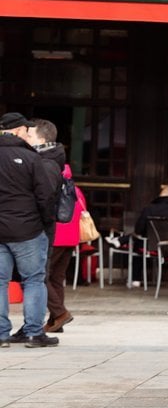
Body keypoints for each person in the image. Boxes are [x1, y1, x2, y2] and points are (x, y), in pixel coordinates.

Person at [0, 112, 60, 348]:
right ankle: (34, 333)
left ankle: (2, 334)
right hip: (27, 229)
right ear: (17, 131)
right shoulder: (30, 157)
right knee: (34, 280)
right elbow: (45, 195)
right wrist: (45, 222)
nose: (28, 133)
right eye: (26, 129)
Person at [28, 118, 84, 333]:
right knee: (56, 277)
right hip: (71, 233)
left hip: (57, 231)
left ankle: (60, 313)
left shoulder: (45, 168)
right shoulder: (66, 174)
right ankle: (55, 320)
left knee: (40, 276)